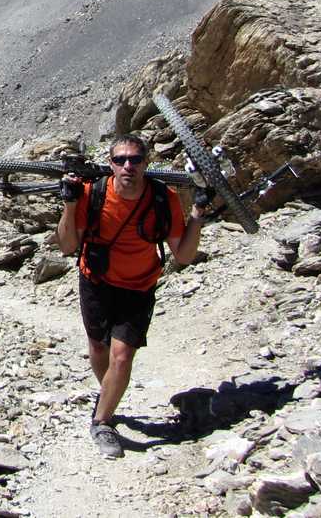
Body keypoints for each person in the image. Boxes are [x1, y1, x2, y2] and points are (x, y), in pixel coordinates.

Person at [55, 133, 210, 458]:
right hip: (95, 280)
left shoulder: (161, 198)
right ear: (110, 164)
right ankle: (109, 396)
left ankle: (102, 422)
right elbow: (68, 246)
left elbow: (182, 255)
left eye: (135, 160)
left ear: (146, 163)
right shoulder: (92, 193)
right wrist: (69, 205)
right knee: (99, 346)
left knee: (122, 355)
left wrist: (196, 215)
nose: (128, 166)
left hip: (139, 285)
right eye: (120, 160)